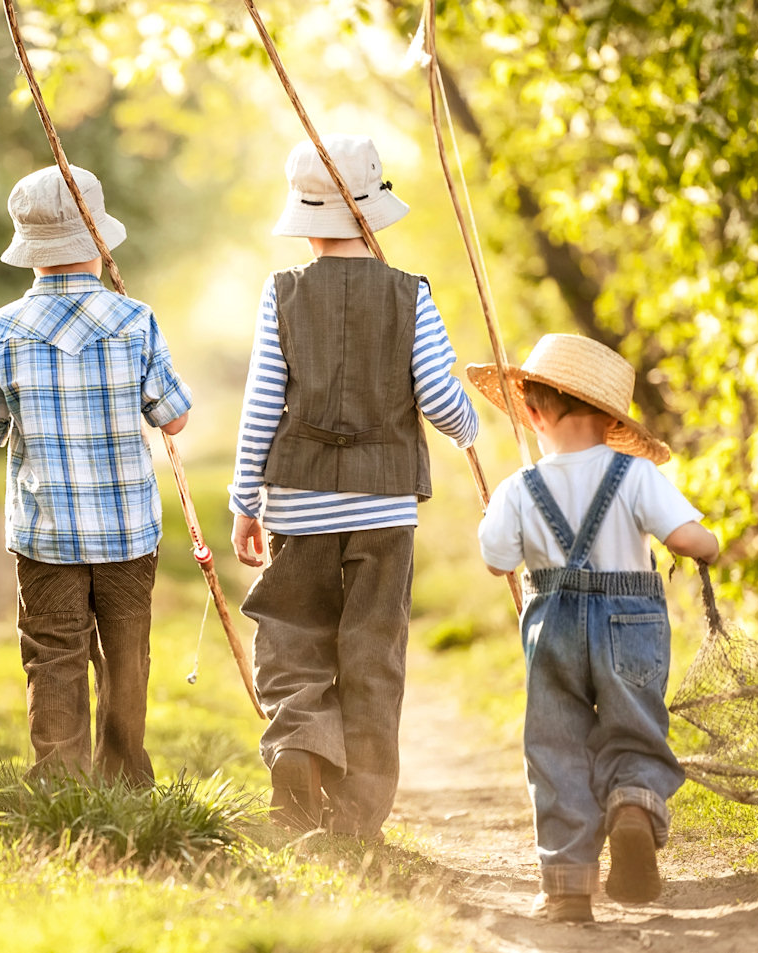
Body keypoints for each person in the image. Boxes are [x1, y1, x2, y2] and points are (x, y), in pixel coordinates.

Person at [0, 164, 192, 786]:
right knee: (125, 655)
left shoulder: (7, 328)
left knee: (54, 653)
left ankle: (60, 781)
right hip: (127, 533)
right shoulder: (135, 319)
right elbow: (176, 419)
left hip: (45, 533)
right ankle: (125, 779)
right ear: (99, 241)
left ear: (29, 249)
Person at [228, 135, 479, 836]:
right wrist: (467, 427)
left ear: (306, 222)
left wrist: (246, 499)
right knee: (372, 649)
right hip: (384, 506)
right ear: (373, 214)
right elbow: (436, 391)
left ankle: (299, 751)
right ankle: (358, 813)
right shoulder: (409, 295)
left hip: (298, 503)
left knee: (292, 634)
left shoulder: (281, 292)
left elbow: (260, 405)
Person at [471, 333, 718, 922]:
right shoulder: (635, 476)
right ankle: (633, 805)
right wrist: (710, 546)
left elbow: (497, 559)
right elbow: (686, 539)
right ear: (612, 422)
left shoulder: (518, 488)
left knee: (556, 747)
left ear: (530, 413)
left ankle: (567, 889)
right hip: (628, 625)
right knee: (634, 727)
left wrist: (497, 517)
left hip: (552, 627)